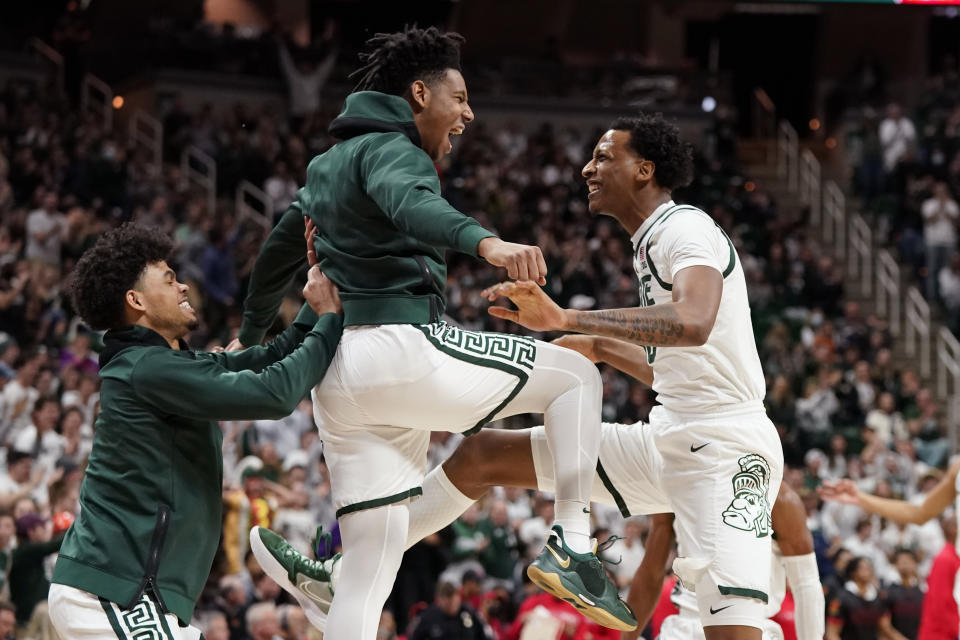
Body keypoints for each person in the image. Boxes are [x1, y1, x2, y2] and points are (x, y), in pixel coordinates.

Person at [239, 26, 630, 637]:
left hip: (337, 381)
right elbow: (411, 204)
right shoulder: (395, 152)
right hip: (396, 345)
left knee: (365, 571)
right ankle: (574, 544)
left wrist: (250, 332)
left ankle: (329, 580)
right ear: (419, 93)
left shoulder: (325, 165)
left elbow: (275, 254)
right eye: (461, 98)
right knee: (575, 376)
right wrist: (490, 244)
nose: (469, 114)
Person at [480, 115, 784, 638]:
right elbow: (676, 367)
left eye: (603, 157)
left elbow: (692, 322)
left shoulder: (683, 227)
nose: (586, 168)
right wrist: (599, 345)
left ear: (644, 170)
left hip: (726, 450)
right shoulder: (648, 243)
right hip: (669, 438)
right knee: (481, 455)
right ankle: (348, 565)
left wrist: (570, 319)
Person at [45, 223, 343, 640]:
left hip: (140, 595)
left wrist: (326, 273)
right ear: (136, 300)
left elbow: (280, 351)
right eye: (169, 279)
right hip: (111, 591)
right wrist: (330, 319)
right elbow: (275, 394)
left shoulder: (169, 366)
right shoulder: (147, 369)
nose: (184, 286)